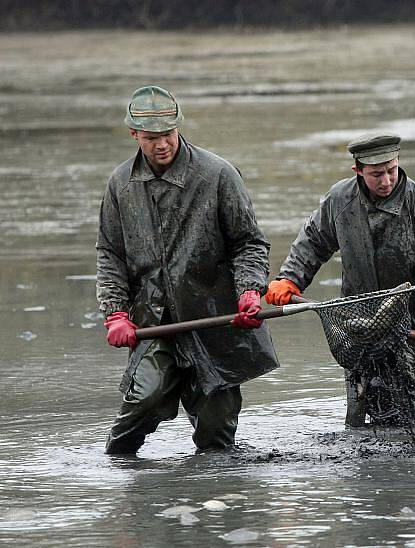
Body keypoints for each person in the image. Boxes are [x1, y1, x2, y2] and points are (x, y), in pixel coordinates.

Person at [96, 85, 279, 454]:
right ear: (135, 135)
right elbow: (110, 254)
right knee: (140, 405)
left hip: (216, 321)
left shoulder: (218, 174)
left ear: (178, 127)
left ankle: (218, 503)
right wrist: (115, 312)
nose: (161, 144)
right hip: (156, 321)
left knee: (216, 434)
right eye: (151, 138)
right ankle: (120, 485)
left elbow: (250, 243)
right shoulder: (120, 184)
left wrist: (249, 291)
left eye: (168, 134)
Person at [265, 133, 415, 427]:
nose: (386, 180)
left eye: (391, 171)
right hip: (362, 323)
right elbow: (312, 242)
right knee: (364, 408)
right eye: (376, 174)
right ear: (358, 171)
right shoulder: (339, 200)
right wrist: (290, 279)